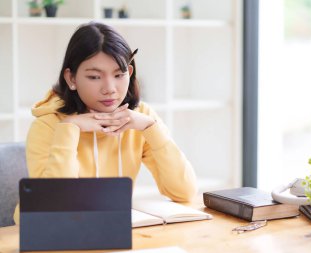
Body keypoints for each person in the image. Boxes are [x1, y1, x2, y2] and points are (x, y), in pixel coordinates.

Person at [13, 22, 197, 223]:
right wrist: (69, 130)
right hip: (56, 235)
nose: (110, 88)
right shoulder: (48, 125)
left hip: (113, 231)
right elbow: (53, 208)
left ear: (130, 72)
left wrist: (152, 128)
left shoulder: (140, 117)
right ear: (71, 78)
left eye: (119, 75)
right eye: (94, 77)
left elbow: (184, 192)